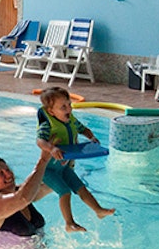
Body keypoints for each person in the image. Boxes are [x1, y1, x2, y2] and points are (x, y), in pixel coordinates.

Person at [36, 87, 115, 232]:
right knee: (65, 191)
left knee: (81, 187)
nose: (69, 109)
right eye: (63, 107)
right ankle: (69, 223)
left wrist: (91, 138)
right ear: (51, 112)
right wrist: (52, 148)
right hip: (49, 170)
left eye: (69, 105)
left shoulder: (71, 120)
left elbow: (84, 129)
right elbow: (40, 141)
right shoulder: (47, 125)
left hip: (64, 167)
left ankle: (98, 210)